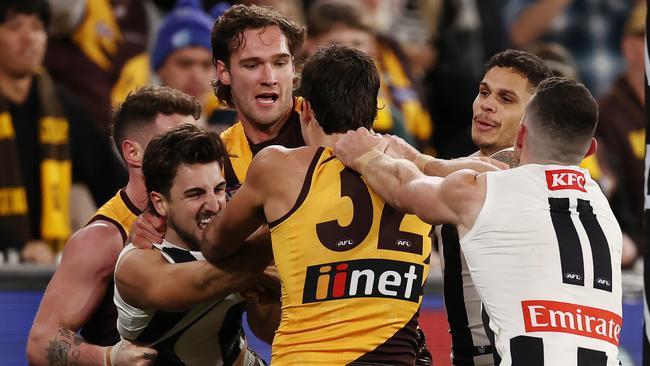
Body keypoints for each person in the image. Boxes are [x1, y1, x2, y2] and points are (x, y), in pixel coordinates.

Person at [199, 44, 499, 365]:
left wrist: (275, 234)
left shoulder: (276, 166)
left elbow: (216, 245)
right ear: (377, 110)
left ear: (306, 110)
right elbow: (498, 174)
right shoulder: (411, 171)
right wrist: (422, 160)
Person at [334, 77, 623, 365]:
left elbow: (403, 188)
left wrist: (365, 154)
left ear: (520, 136)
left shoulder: (489, 192)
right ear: (589, 151)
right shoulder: (605, 210)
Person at [27, 86, 201, 365]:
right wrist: (107, 357)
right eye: (175, 143)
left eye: (195, 140)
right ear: (133, 153)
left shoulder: (211, 212)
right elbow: (41, 341)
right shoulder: (102, 238)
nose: (193, 154)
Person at [114, 123, 276, 365]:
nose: (214, 205)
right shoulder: (135, 264)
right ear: (160, 203)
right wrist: (287, 217)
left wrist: (269, 289)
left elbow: (268, 330)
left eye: (219, 189)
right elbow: (206, 281)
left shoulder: (241, 249)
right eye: (195, 194)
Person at [436, 49, 552, 366]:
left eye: (506, 99)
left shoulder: (533, 183)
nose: (487, 105)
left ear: (534, 118)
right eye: (484, 92)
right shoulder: (456, 172)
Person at [0, 0, 127, 264]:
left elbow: (112, 182)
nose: (29, 38)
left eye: (37, 28)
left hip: (46, 265)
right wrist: (15, 246)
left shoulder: (61, 106)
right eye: (15, 27)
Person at [304, 0, 434, 151]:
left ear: (372, 47)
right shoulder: (296, 104)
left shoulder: (392, 115)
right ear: (311, 46)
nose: (348, 52)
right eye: (336, 44)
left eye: (357, 43)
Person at [212, 4, 306, 194]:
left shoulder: (330, 126)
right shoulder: (215, 162)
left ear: (293, 68)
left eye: (280, 63)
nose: (269, 79)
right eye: (252, 65)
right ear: (223, 72)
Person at [594, 2, 645, 265]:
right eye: (645, 35)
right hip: (629, 252)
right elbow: (602, 187)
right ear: (627, 46)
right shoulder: (605, 114)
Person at [152, 0, 236, 130]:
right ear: (160, 68)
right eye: (185, 64)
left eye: (206, 65)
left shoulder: (235, 129)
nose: (197, 76)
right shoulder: (135, 126)